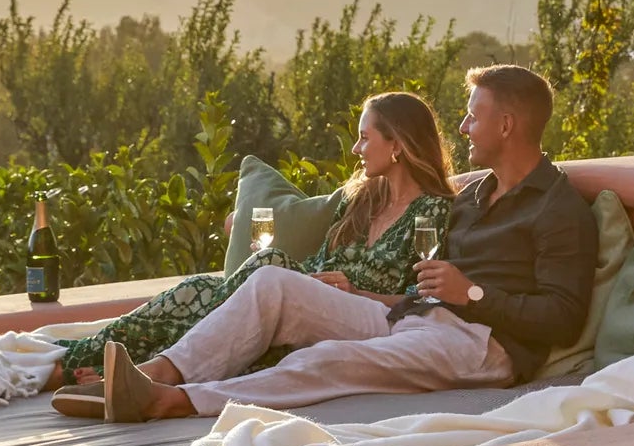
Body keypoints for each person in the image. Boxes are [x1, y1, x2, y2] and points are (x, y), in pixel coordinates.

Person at [101, 63, 599, 422]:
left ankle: (179, 401)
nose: (464, 127)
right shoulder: (474, 196)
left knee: (326, 359)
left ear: (507, 125)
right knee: (275, 282)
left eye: (474, 116)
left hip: (484, 347)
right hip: (420, 319)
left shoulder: (557, 209)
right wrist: (368, 299)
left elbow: (562, 316)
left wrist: (470, 294)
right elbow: (427, 295)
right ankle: (159, 372)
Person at [47, 91, 454, 415]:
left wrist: (355, 292)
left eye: (365, 137)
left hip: (364, 314)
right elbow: (317, 263)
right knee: (198, 287)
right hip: (307, 297)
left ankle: (143, 373)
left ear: (397, 144)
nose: (355, 148)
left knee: (267, 264)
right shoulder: (360, 200)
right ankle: (73, 362)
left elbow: (422, 301)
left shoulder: (432, 210)